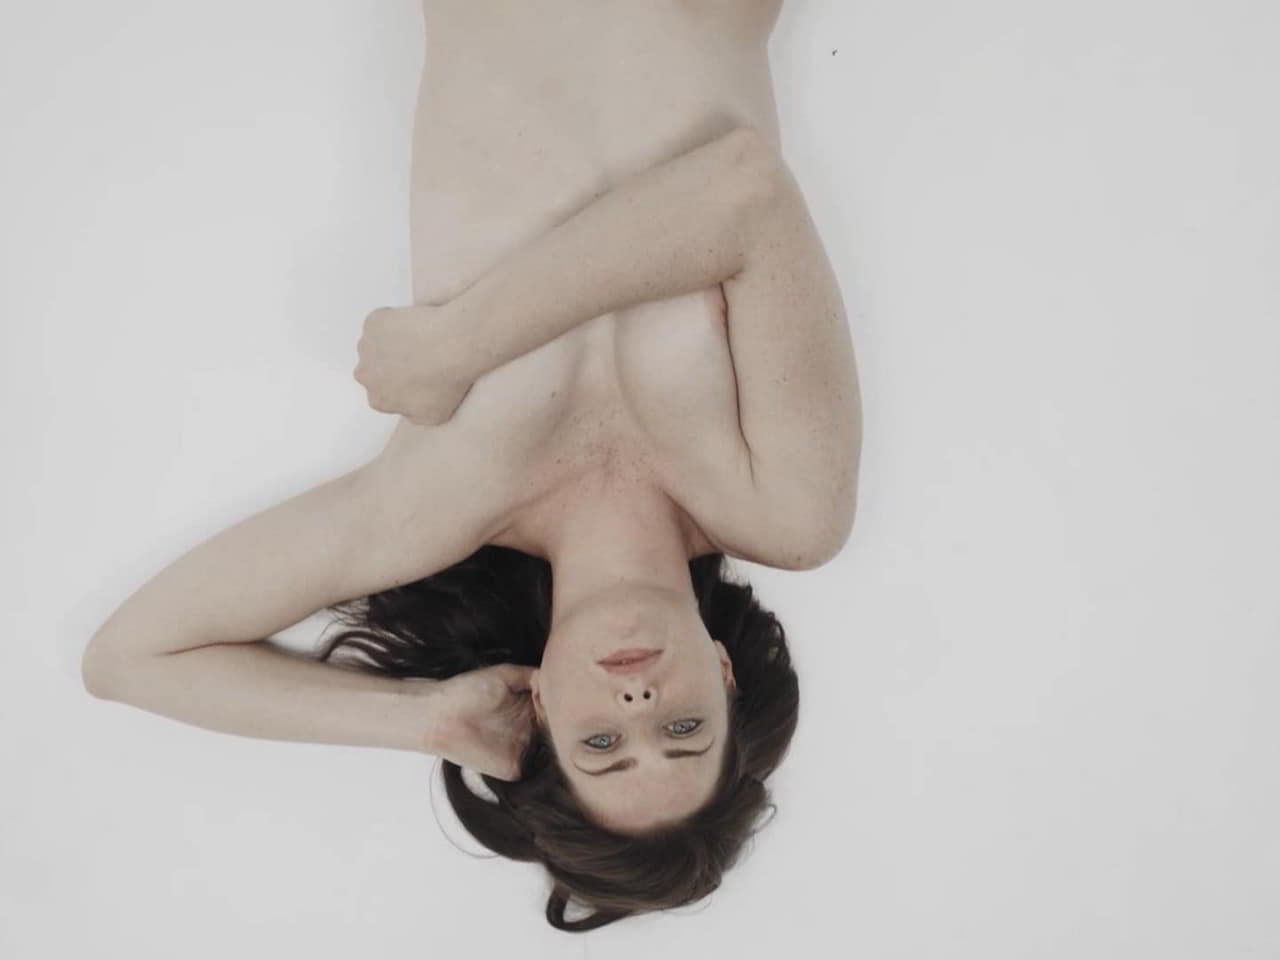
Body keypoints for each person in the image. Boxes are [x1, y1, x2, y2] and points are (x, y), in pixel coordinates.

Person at [82, 0, 862, 931]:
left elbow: (129, 659)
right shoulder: (785, 508)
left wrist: (424, 719)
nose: (639, 700)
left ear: (541, 709)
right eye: (683, 731)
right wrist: (462, 345)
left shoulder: (435, 508)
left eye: (603, 742)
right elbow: (743, 190)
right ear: (727, 677)